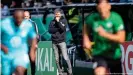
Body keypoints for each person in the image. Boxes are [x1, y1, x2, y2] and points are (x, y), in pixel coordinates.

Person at [83, 0, 125, 75]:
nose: (101, 7)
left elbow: (121, 39)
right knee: (99, 72)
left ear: (109, 6)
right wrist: (86, 39)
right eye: (99, 4)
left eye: (104, 5)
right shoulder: (93, 18)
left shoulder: (116, 18)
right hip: (99, 53)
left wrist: (105, 34)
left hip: (114, 54)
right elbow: (86, 26)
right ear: (97, 7)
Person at [0, 9, 37, 75]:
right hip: (7, 55)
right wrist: (2, 46)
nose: (19, 22)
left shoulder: (28, 25)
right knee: (6, 73)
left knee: (20, 70)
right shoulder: (4, 24)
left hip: (21, 54)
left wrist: (32, 51)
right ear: (13, 17)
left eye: (21, 19)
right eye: (17, 19)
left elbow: (34, 37)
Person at [49, 9, 73, 75]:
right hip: (54, 42)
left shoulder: (64, 20)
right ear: (54, 14)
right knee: (56, 59)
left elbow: (63, 29)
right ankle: (60, 72)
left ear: (60, 14)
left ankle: (70, 70)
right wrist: (58, 28)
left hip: (62, 42)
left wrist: (58, 22)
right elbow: (50, 30)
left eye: (58, 14)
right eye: (56, 14)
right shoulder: (51, 21)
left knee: (65, 57)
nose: (57, 15)